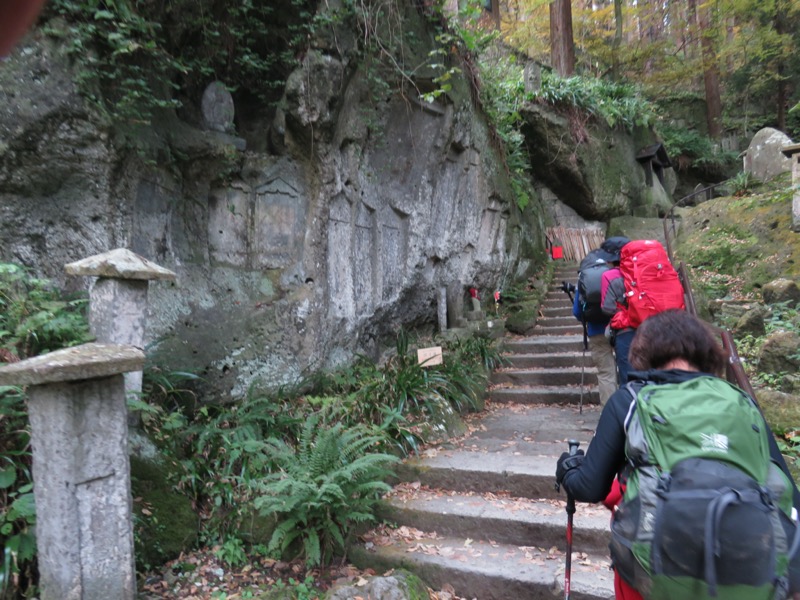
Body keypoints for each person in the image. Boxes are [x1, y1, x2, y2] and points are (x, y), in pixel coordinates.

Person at [554, 309, 800, 600]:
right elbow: (787, 493)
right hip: (748, 569)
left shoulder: (631, 400)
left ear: (642, 352)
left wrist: (567, 469)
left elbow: (590, 486)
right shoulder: (739, 402)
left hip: (653, 571)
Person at [570, 252, 617, 405]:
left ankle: (611, 416)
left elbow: (577, 312)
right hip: (619, 328)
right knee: (625, 368)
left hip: (596, 332)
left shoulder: (583, 279)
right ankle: (629, 410)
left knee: (606, 374)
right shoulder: (614, 275)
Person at [600, 239, 633, 385]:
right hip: (649, 328)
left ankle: (630, 406)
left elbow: (607, 307)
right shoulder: (640, 269)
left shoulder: (609, 276)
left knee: (627, 376)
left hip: (625, 331)